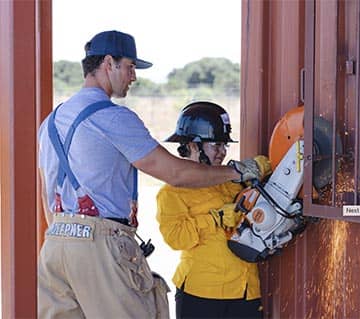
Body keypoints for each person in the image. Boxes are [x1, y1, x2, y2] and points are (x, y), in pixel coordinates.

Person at [37, 30, 264, 319]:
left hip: (55, 245)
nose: (133, 77)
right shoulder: (114, 117)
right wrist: (236, 171)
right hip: (100, 245)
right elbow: (176, 173)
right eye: (130, 67)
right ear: (109, 63)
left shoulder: (51, 123)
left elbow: (46, 195)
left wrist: (68, 235)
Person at [156, 101, 272, 319]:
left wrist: (263, 167)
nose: (222, 152)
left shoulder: (233, 181)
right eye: (215, 145)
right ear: (192, 146)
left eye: (224, 145)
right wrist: (215, 219)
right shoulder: (172, 192)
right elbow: (176, 239)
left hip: (246, 292)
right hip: (201, 294)